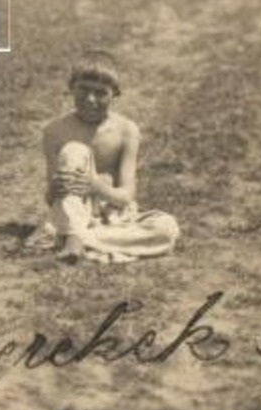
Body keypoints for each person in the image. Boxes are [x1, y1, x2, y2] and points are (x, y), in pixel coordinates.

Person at [41, 58, 180, 263]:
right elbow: (52, 197)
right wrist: (57, 187)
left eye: (100, 93)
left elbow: (125, 195)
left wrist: (94, 185)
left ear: (115, 94)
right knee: (74, 149)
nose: (90, 99)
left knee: (167, 229)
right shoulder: (55, 131)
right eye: (83, 90)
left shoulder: (126, 130)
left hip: (114, 214)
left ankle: (77, 239)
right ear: (71, 88)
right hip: (72, 210)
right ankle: (73, 235)